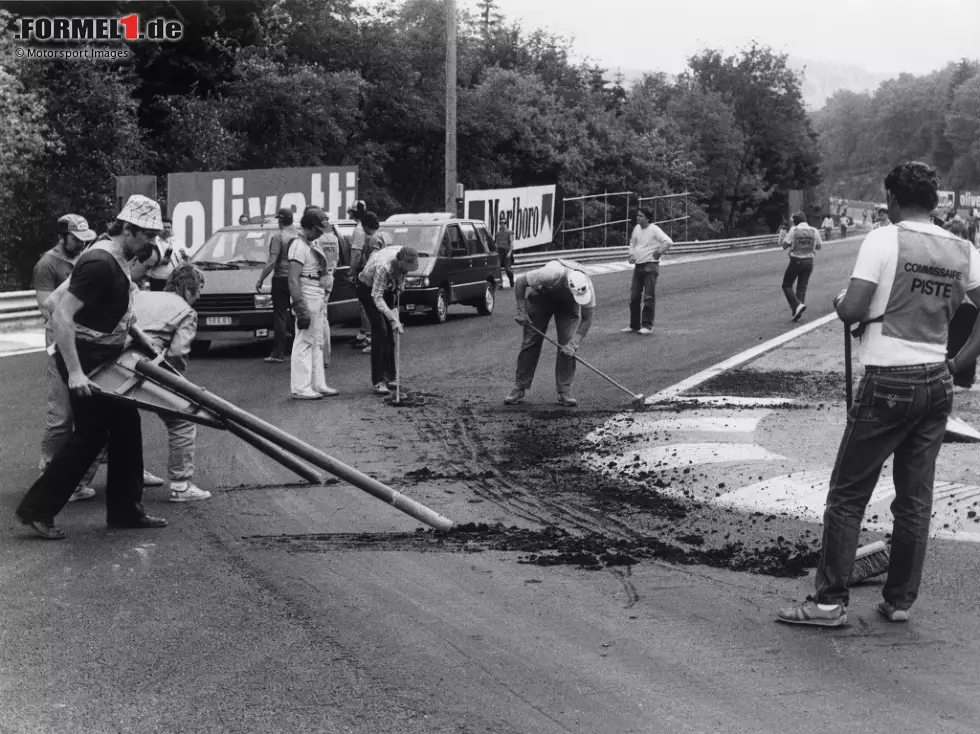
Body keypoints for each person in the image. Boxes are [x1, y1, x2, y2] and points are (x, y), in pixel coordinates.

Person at [776, 162, 980, 627]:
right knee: (914, 499)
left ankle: (828, 603)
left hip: (889, 382)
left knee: (847, 495)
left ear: (891, 198)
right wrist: (960, 362)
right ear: (935, 202)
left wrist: (839, 304)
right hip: (938, 381)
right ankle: (900, 600)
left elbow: (852, 309)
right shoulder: (963, 248)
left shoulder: (884, 239)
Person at [16, 195, 167, 539]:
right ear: (128, 228)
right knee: (90, 436)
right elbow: (61, 315)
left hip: (103, 354)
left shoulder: (117, 256)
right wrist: (76, 373)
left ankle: (126, 511)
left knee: (127, 427)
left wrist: (139, 335)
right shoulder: (100, 262)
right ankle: (37, 510)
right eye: (148, 235)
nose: (152, 243)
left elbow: (113, 307)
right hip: (85, 358)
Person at [33, 214, 99, 503]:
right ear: (62, 237)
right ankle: (48, 472)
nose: (82, 243)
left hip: (87, 339)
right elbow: (48, 310)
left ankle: (86, 473)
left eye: (85, 238)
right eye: (76, 238)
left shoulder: (86, 257)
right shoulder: (47, 265)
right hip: (59, 341)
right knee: (62, 413)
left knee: (99, 407)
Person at [133, 264, 212, 501]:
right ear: (190, 289)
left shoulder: (140, 295)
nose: (198, 297)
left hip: (115, 362)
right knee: (183, 420)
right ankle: (181, 485)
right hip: (148, 367)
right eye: (198, 291)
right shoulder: (186, 311)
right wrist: (177, 385)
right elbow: (177, 354)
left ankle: (78, 484)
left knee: (111, 422)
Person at [505, 260, 596, 407]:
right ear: (568, 285)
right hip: (542, 297)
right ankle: (519, 387)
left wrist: (575, 343)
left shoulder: (586, 287)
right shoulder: (551, 274)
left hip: (568, 305)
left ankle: (564, 391)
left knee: (568, 345)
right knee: (530, 342)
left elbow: (587, 319)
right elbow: (521, 282)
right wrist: (521, 311)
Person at [287, 208, 337, 399]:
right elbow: (293, 279)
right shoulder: (298, 246)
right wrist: (299, 306)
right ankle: (301, 387)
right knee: (304, 341)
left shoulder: (311, 243)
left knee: (317, 342)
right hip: (307, 293)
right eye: (316, 229)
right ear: (306, 227)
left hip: (317, 293)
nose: (319, 233)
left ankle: (318, 383)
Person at [356, 245, 420, 395]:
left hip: (385, 289)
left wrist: (398, 292)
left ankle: (390, 376)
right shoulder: (383, 267)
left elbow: (400, 282)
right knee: (380, 330)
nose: (407, 270)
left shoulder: (404, 259)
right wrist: (392, 317)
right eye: (406, 267)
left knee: (390, 333)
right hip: (368, 289)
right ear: (399, 261)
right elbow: (376, 297)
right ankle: (378, 381)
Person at [255, 207, 297, 363]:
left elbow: (272, 261)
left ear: (280, 220)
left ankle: (278, 352)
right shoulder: (298, 235)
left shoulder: (279, 237)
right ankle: (304, 344)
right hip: (296, 277)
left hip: (280, 278)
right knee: (294, 313)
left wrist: (261, 279)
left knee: (280, 315)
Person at [622, 208, 672, 335]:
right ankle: (634, 325)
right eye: (637, 216)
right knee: (634, 297)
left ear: (647, 218)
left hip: (650, 266)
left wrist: (659, 251)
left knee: (648, 297)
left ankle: (647, 325)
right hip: (638, 266)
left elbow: (668, 241)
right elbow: (632, 243)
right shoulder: (637, 229)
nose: (638, 218)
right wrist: (631, 254)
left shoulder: (654, 229)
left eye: (641, 216)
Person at [780, 212, 823, 322]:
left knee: (786, 285)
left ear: (795, 221)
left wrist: (783, 235)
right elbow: (819, 246)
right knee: (802, 288)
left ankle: (797, 305)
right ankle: (797, 314)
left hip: (796, 260)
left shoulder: (794, 230)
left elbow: (784, 245)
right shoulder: (814, 230)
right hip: (809, 261)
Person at [346, 200, 372, 350]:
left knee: (364, 305)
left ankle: (368, 336)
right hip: (367, 268)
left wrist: (351, 272)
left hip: (362, 269)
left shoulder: (358, 230)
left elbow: (356, 254)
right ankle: (364, 333)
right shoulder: (365, 228)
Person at [146, 217, 189, 292]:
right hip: (157, 281)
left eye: (169, 227)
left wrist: (185, 256)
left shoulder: (178, 242)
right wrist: (160, 262)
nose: (167, 229)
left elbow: (186, 261)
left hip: (175, 280)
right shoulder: (152, 241)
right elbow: (145, 262)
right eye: (164, 227)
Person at [495, 216, 516, 289]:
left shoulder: (509, 232)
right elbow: (497, 243)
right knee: (497, 269)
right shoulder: (497, 233)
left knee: (508, 269)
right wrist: (495, 251)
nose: (501, 224)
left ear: (505, 224)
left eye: (503, 223)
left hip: (507, 251)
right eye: (500, 223)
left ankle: (511, 280)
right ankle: (500, 283)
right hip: (499, 252)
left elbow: (512, 243)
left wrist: (510, 252)